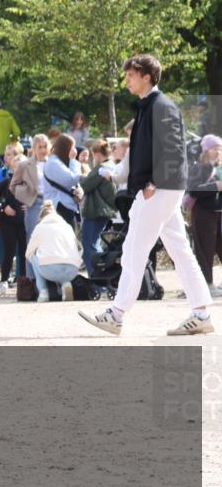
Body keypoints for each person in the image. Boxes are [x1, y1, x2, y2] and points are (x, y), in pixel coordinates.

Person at [80, 54, 213, 336]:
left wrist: (153, 181)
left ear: (147, 77)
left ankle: (116, 314)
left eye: (131, 74)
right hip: (162, 188)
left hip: (158, 188)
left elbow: (173, 149)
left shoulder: (159, 106)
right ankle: (201, 312)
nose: (126, 78)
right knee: (180, 251)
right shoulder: (151, 105)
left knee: (133, 250)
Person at [10, 134, 51, 280]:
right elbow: (13, 186)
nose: (43, 150)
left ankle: (51, 281)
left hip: (52, 205)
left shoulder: (53, 163)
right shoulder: (24, 165)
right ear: (33, 148)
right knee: (33, 242)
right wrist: (27, 198)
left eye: (45, 146)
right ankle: (32, 280)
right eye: (39, 147)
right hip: (35, 204)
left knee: (50, 241)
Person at [25, 200, 83, 302]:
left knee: (34, 256)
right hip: (72, 270)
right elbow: (78, 248)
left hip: (50, 269)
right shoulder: (67, 226)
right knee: (60, 258)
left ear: (41, 217)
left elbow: (29, 252)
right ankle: (65, 284)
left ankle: (43, 292)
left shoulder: (40, 227)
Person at [187, 134, 222, 296]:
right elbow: (193, 190)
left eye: (219, 148)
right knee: (205, 250)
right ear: (206, 150)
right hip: (203, 213)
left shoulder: (219, 167)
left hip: (218, 213)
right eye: (215, 148)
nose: (218, 151)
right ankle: (207, 285)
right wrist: (215, 186)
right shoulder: (198, 167)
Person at [80, 139, 117, 276]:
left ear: (96, 154)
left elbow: (85, 185)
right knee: (96, 244)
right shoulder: (112, 165)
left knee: (89, 246)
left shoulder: (101, 168)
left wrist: (81, 177)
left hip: (96, 211)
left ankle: (97, 280)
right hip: (106, 211)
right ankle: (103, 277)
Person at [0, 141, 27, 290]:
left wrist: (30, 206)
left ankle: (24, 280)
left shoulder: (30, 184)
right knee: (8, 252)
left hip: (24, 222)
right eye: (16, 166)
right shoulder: (5, 183)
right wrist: (3, 207)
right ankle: (4, 279)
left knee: (24, 252)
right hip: (8, 222)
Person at [43, 134, 83, 230]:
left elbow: (74, 182)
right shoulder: (54, 163)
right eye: (73, 147)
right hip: (59, 207)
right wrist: (73, 160)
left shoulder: (60, 162)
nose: (75, 151)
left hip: (64, 207)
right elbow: (72, 179)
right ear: (66, 148)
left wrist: (80, 191)